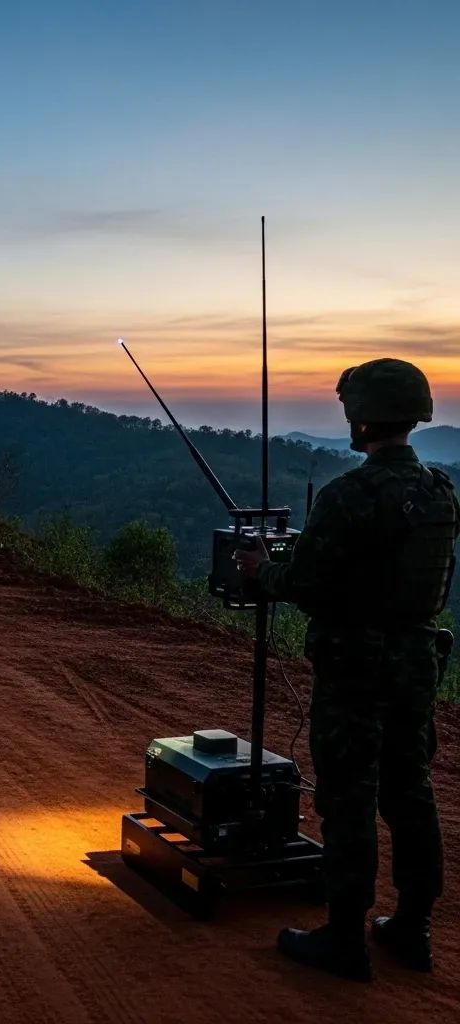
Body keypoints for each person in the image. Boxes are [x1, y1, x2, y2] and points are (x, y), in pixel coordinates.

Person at [235, 357, 460, 981]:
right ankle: (411, 931)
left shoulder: (349, 495)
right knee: (410, 794)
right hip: (417, 664)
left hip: (355, 668)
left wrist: (263, 572)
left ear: (361, 418)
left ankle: (345, 939)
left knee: (349, 799)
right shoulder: (440, 491)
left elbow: (308, 584)